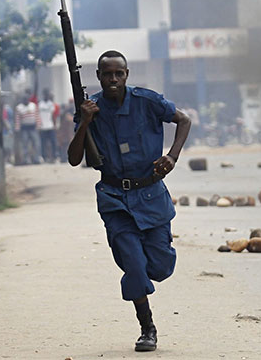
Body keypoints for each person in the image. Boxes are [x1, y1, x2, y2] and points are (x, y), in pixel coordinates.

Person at [69, 50, 191, 352]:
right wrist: (85, 122)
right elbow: (74, 159)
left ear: (126, 74)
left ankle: (146, 272)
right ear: (98, 76)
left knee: (160, 267)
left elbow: (183, 120)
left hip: (150, 196)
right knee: (134, 267)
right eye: (107, 74)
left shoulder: (147, 101)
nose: (113, 79)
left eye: (118, 73)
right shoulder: (90, 109)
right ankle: (147, 327)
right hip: (115, 200)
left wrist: (172, 157)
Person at [14, 92, 41, 164]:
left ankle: (36, 159)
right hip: (24, 128)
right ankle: (26, 160)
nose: (26, 100)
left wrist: (38, 126)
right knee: (25, 145)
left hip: (33, 128)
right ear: (22, 100)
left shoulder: (33, 106)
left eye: (27, 99)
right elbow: (18, 119)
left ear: (29, 99)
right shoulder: (19, 107)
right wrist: (17, 128)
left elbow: (37, 116)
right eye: (24, 99)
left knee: (36, 144)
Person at [38, 89, 59, 162]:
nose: (46, 96)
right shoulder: (40, 104)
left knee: (53, 142)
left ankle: (54, 157)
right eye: (45, 95)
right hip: (42, 127)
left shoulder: (51, 104)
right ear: (43, 95)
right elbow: (38, 115)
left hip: (50, 126)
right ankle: (44, 157)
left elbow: (53, 115)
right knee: (43, 143)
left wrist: (55, 125)